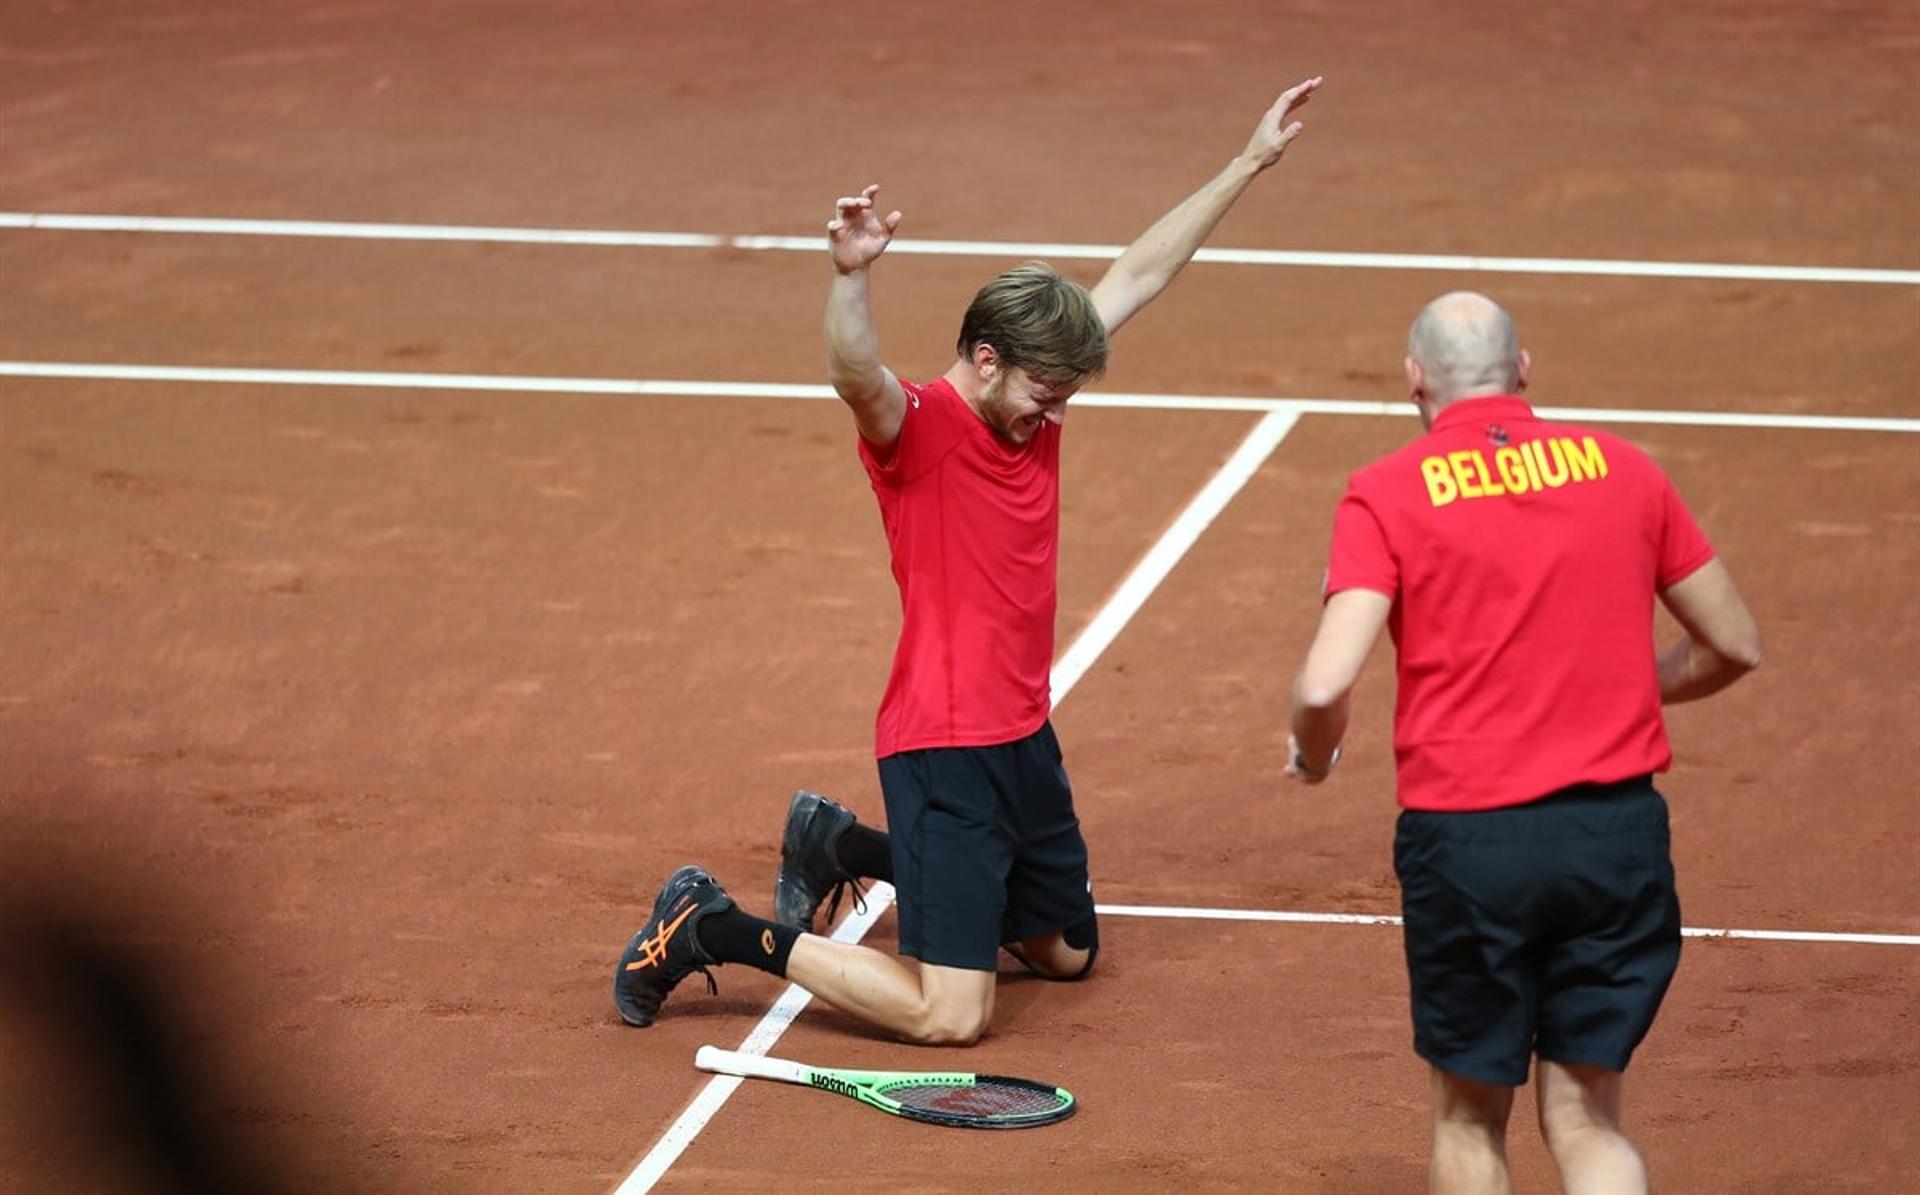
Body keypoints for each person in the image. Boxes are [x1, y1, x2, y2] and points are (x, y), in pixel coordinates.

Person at [612, 76, 1325, 1044]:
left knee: (1066, 949)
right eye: (1047, 394)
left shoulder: (1033, 388)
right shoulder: (920, 430)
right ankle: (712, 925)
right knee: (952, 1014)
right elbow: (852, 374)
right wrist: (851, 277)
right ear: (986, 359)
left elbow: (1136, 276)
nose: (1059, 416)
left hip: (1021, 732)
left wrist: (1248, 160)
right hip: (944, 743)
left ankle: (840, 843)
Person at [1283, 291, 1762, 1192]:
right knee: (1587, 1121)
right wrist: (1627, 686)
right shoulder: (1625, 469)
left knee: (1469, 1123)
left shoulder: (1386, 491)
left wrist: (1314, 755)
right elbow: (1734, 643)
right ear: (1524, 370)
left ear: (1414, 378)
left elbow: (1322, 683)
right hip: (1614, 839)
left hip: (1470, 848)